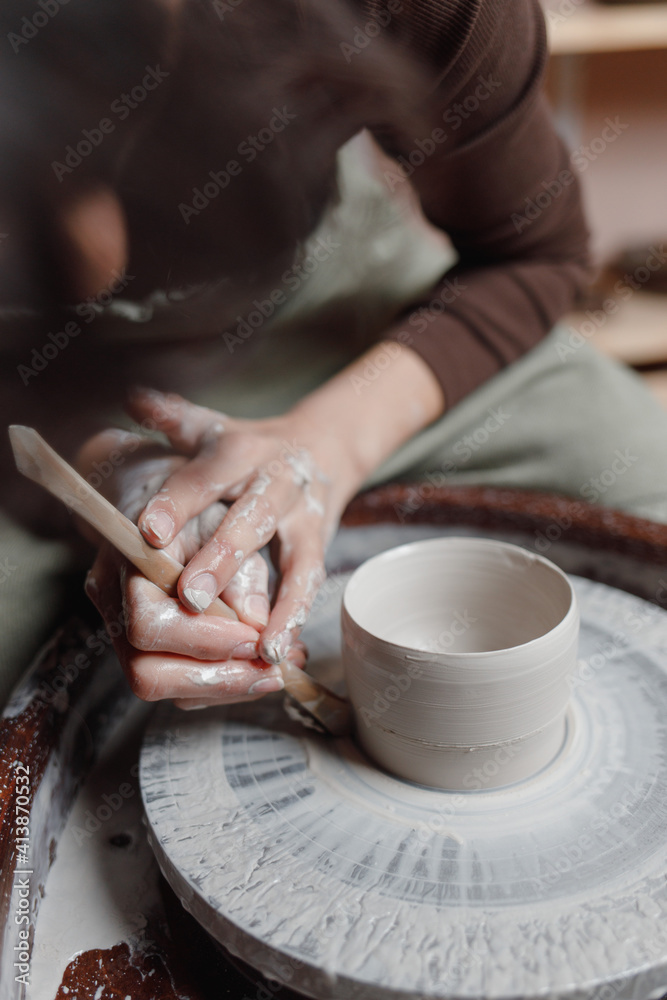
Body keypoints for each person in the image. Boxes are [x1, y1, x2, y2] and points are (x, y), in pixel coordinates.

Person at [2, 0, 665, 710]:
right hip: (30, 379)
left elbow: (536, 256)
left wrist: (323, 447)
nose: (107, 264)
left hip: (356, 328)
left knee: (647, 487)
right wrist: (102, 467)